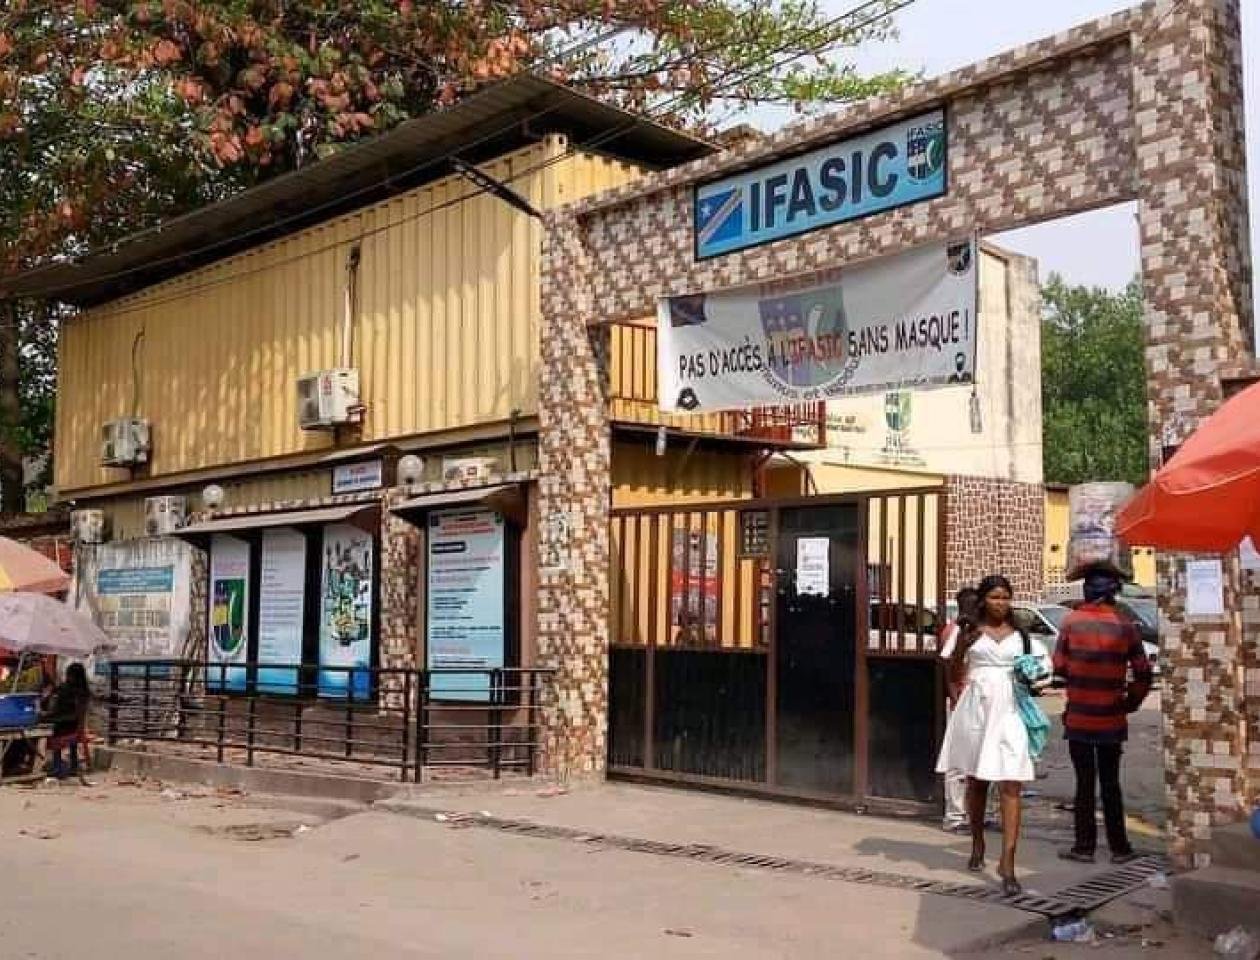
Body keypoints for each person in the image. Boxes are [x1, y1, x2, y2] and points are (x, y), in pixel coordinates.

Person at [935, 574, 1037, 896]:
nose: (1000, 603)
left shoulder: (1021, 635)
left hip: (1011, 709)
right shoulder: (967, 631)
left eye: (1005, 597)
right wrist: (962, 647)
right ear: (982, 600)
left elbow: (1037, 671)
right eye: (994, 597)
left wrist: (1034, 673)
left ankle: (1008, 861)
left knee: (1012, 782)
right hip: (977, 706)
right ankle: (978, 841)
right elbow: (953, 672)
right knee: (977, 780)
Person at [1054, 565, 1153, 865]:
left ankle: (1084, 848)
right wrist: (1130, 702)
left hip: (1079, 719)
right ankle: (1120, 848)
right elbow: (1143, 673)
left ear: (1087, 591)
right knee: (1111, 784)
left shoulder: (1071, 622)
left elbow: (1059, 667)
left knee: (1084, 784)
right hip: (1112, 718)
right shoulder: (1125, 625)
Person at [938, 586, 980, 833]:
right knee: (957, 762)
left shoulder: (974, 629)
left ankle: (973, 813)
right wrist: (955, 697)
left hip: (974, 701)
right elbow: (948, 665)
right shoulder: (957, 630)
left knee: (977, 760)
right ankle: (955, 816)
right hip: (961, 701)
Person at [40, 663, 91, 781]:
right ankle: (71, 766)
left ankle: (57, 767)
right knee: (52, 723)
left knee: (49, 727)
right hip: (75, 724)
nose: (67, 677)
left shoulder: (65, 689)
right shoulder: (84, 691)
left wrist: (46, 711)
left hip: (65, 724)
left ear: (71, 675)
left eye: (68, 674)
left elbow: (56, 708)